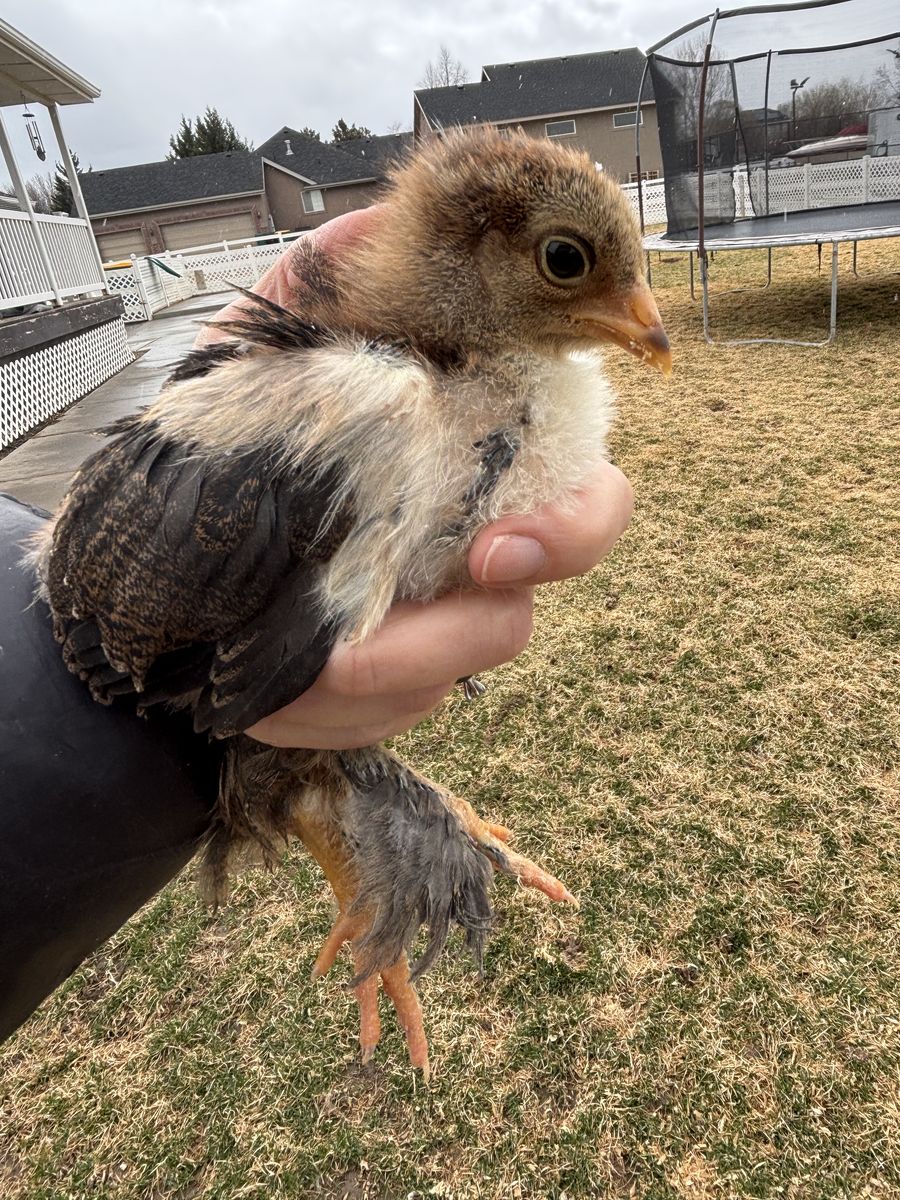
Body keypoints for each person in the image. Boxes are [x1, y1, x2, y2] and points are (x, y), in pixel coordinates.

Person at [0, 208, 633, 1044]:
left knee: (296, 662)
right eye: (565, 263)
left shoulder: (423, 405)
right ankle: (333, 802)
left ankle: (337, 798)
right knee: (282, 663)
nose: (641, 320)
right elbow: (132, 632)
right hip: (99, 638)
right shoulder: (368, 412)